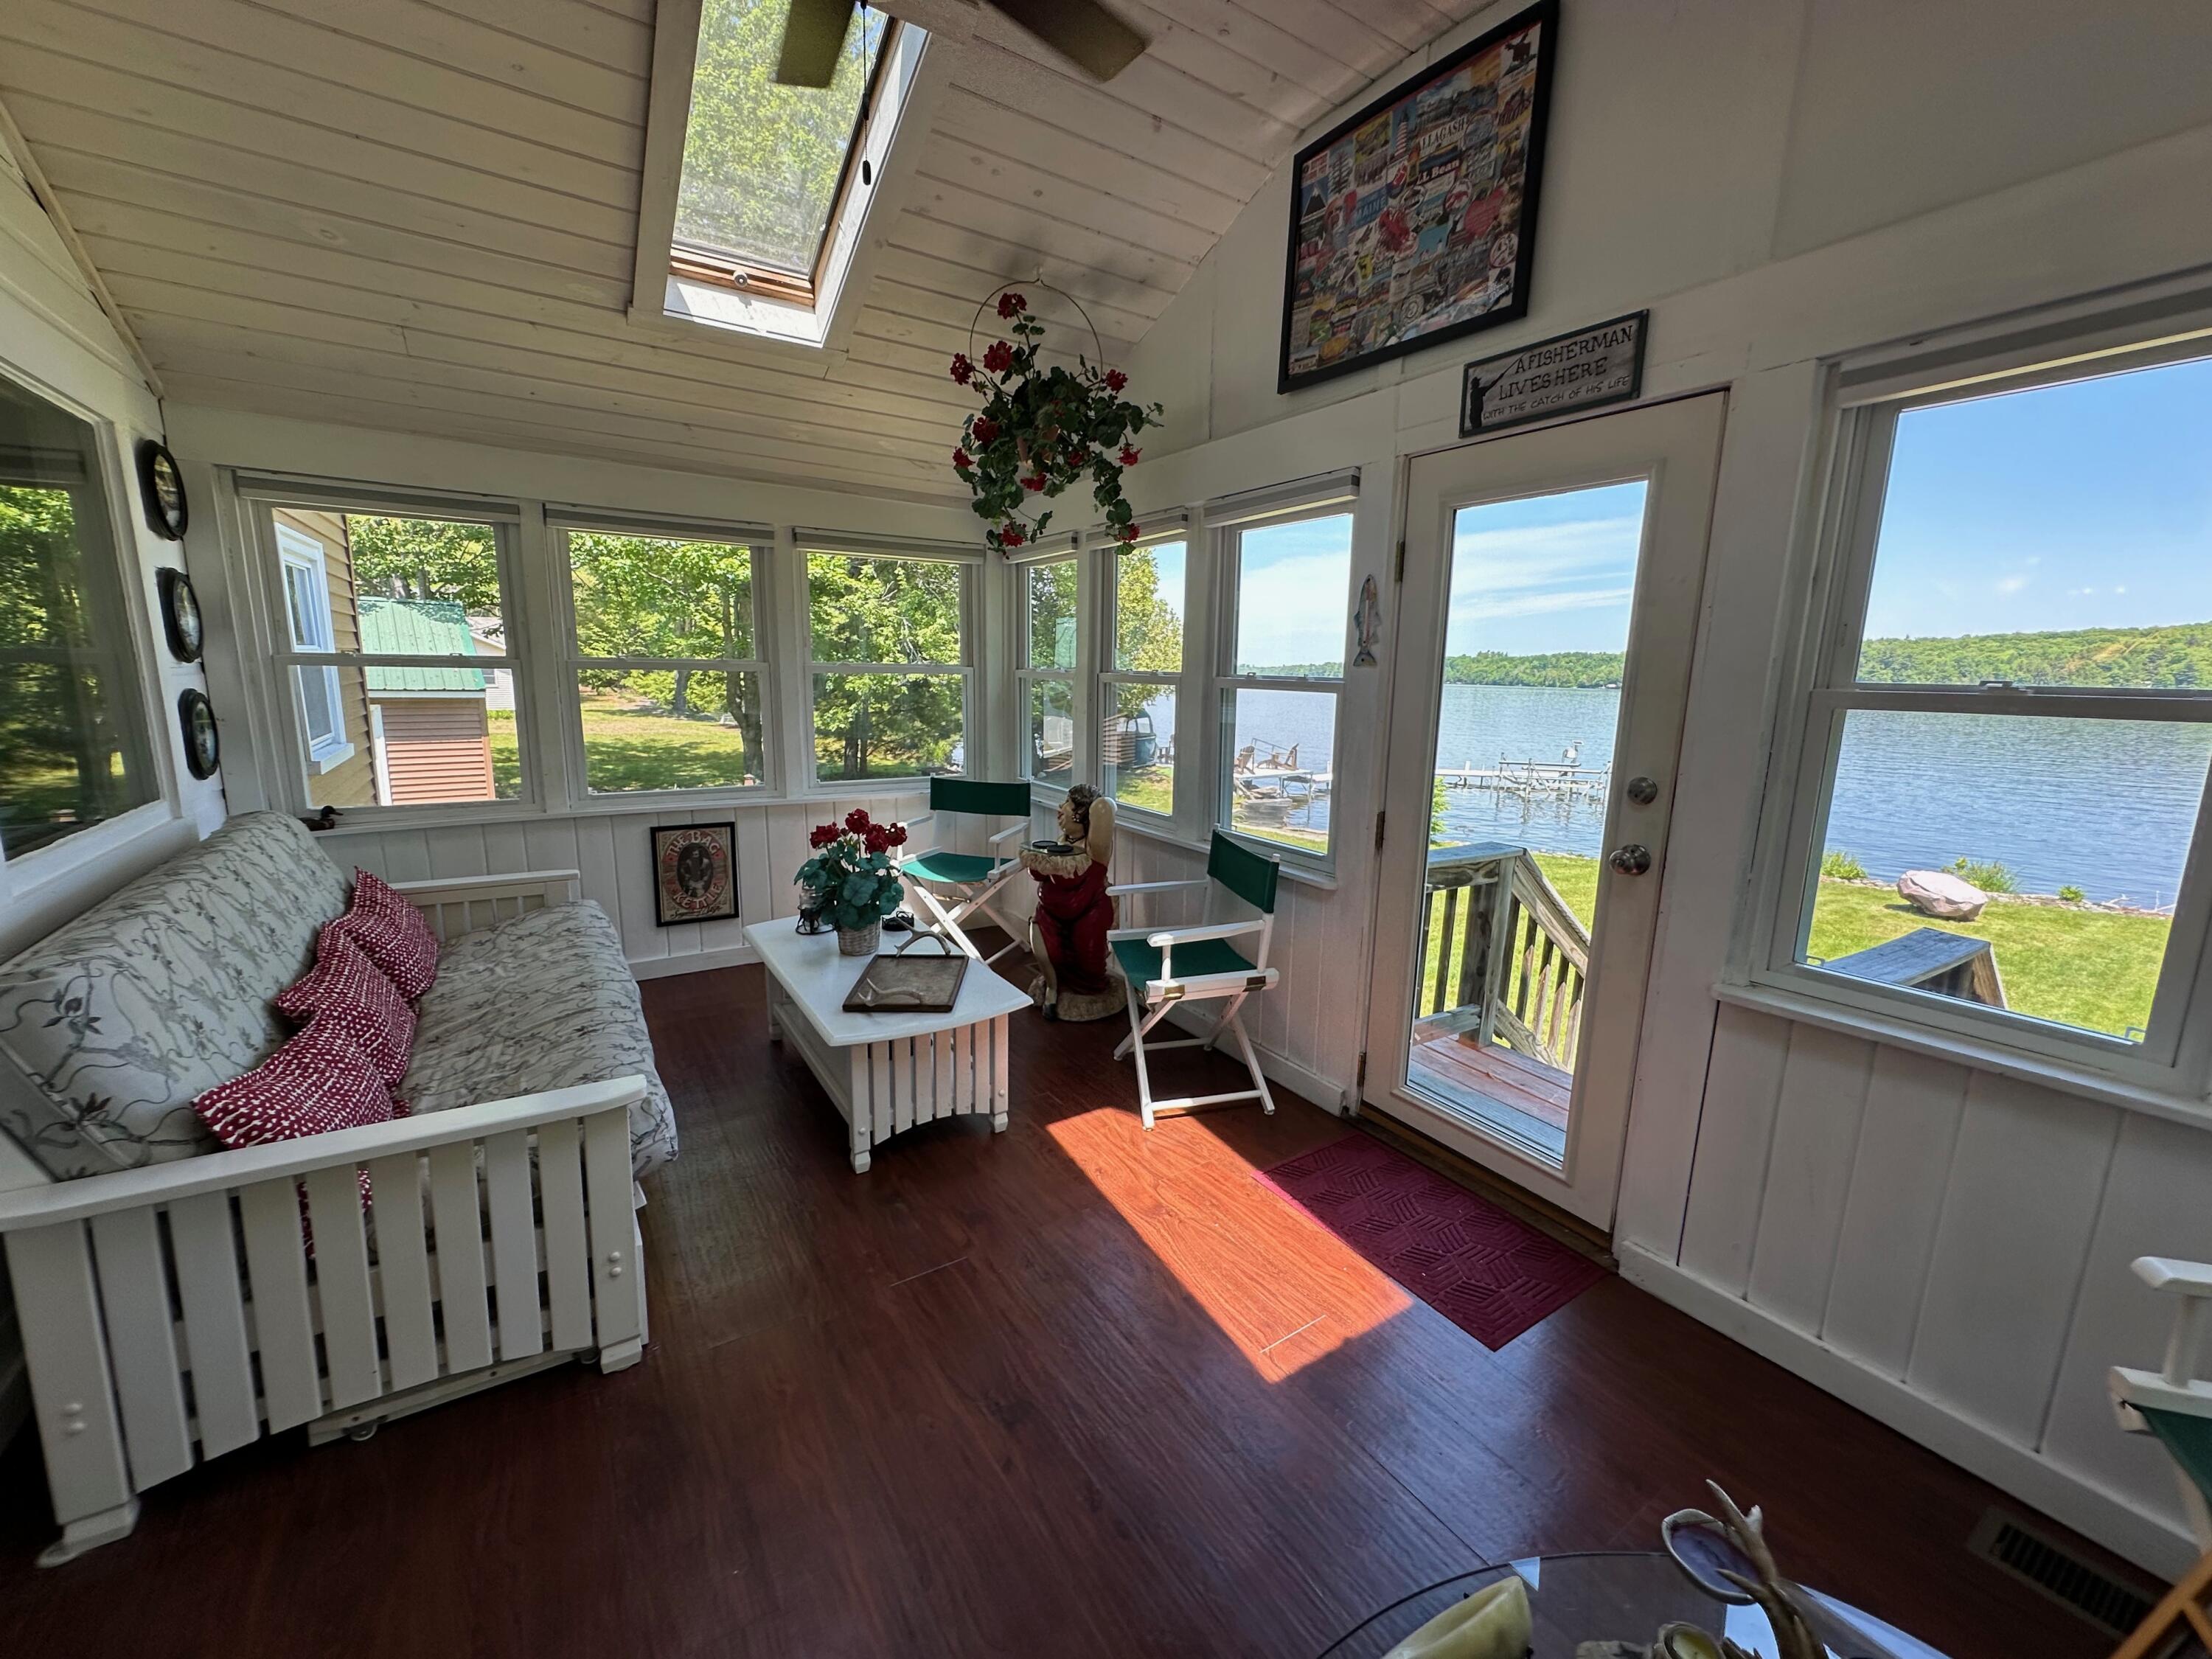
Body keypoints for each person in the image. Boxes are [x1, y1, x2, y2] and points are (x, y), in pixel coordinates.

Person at [1020, 786, 1119, 1021]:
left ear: (1082, 815)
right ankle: (1053, 989)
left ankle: (1084, 993)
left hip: (1089, 910)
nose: (1060, 809)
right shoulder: (1062, 840)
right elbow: (1043, 876)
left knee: (1089, 960)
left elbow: (1105, 809)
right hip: (1052, 911)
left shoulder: (1095, 848)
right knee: (1046, 947)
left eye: (1067, 804)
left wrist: (1097, 806)